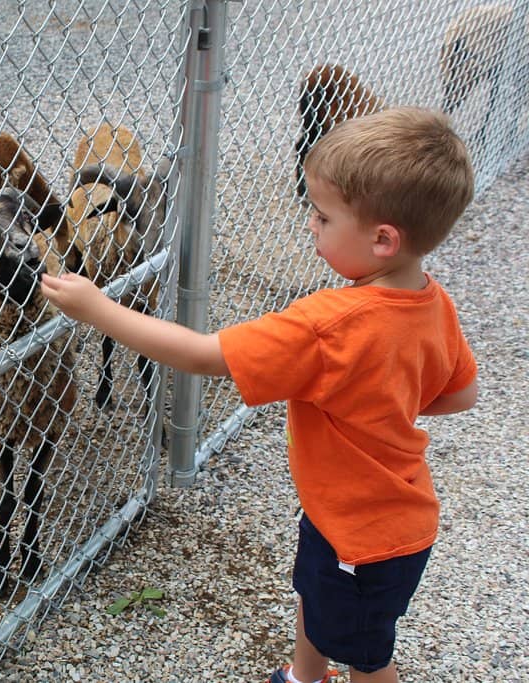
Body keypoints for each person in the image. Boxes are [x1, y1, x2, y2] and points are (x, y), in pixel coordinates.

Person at [41, 107, 479, 683]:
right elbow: (461, 394)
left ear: (382, 239)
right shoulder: (432, 300)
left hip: (361, 540)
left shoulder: (329, 326)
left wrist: (100, 310)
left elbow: (202, 355)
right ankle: (302, 674)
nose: (310, 225)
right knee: (315, 596)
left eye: (322, 217)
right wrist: (380, 399)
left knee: (368, 657)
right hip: (363, 514)